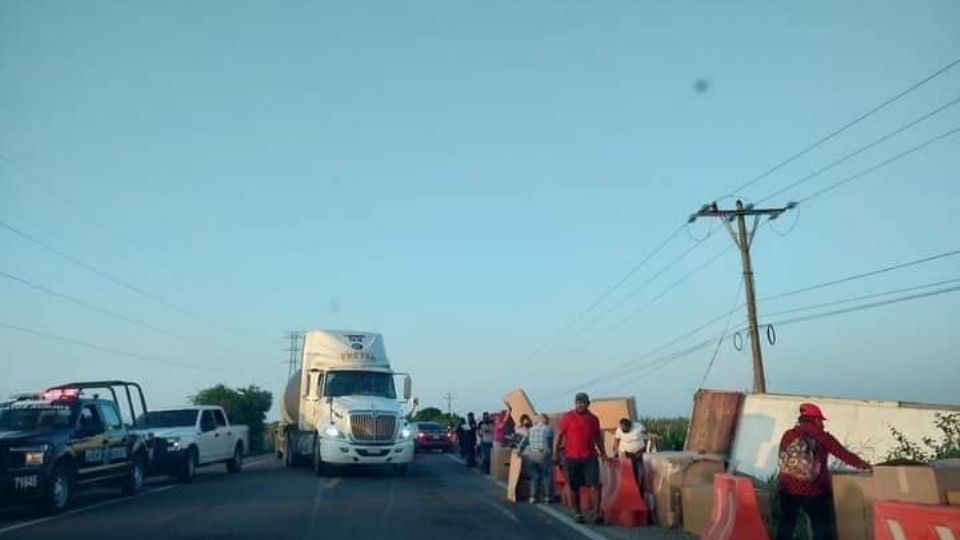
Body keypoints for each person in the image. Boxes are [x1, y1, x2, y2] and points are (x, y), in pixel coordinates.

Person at [777, 403, 872, 540]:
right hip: (812, 489)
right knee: (822, 526)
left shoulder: (788, 435)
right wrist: (865, 465)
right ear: (816, 420)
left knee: (786, 524)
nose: (822, 424)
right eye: (821, 420)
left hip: (787, 488)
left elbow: (783, 458)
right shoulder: (823, 437)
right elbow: (844, 455)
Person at [554, 392, 605, 524]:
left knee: (594, 485)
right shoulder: (568, 417)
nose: (580, 405)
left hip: (590, 457)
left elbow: (598, 438)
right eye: (577, 402)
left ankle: (596, 513)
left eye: (582, 402)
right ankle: (577, 513)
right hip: (571, 458)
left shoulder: (594, 419)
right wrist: (555, 453)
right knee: (574, 486)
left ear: (588, 404)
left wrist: (603, 453)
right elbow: (559, 436)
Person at [519, 413, 554, 504]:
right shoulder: (548, 429)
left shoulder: (530, 430)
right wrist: (552, 454)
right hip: (543, 453)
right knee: (546, 476)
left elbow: (523, 442)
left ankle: (533, 497)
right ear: (545, 420)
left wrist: (519, 451)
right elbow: (551, 443)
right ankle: (547, 497)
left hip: (532, 453)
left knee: (534, 477)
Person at [613, 417, 646, 486]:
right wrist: (615, 451)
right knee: (629, 470)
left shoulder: (638, 427)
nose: (624, 430)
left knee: (641, 470)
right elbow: (616, 440)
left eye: (626, 429)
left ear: (630, 425)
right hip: (626, 453)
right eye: (623, 429)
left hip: (639, 452)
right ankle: (630, 485)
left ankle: (640, 485)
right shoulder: (619, 430)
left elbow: (646, 434)